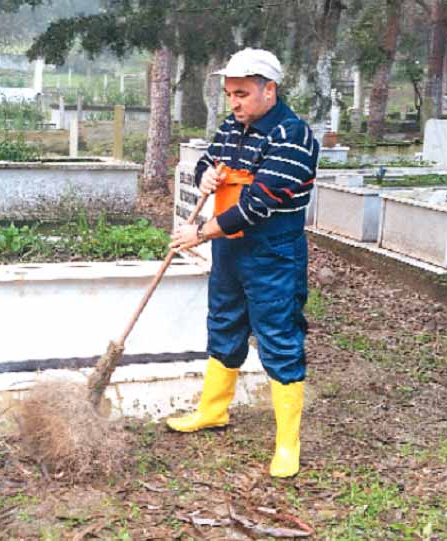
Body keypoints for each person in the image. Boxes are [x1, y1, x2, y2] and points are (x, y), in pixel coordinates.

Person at [166, 48, 320, 478]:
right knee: (225, 322)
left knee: (278, 335)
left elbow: (259, 204)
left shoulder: (292, 137)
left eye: (243, 93)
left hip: (273, 253)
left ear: (269, 90)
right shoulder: (234, 126)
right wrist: (207, 175)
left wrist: (198, 234)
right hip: (229, 249)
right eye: (230, 93)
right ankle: (213, 411)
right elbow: (205, 161)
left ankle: (288, 443)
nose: (234, 103)